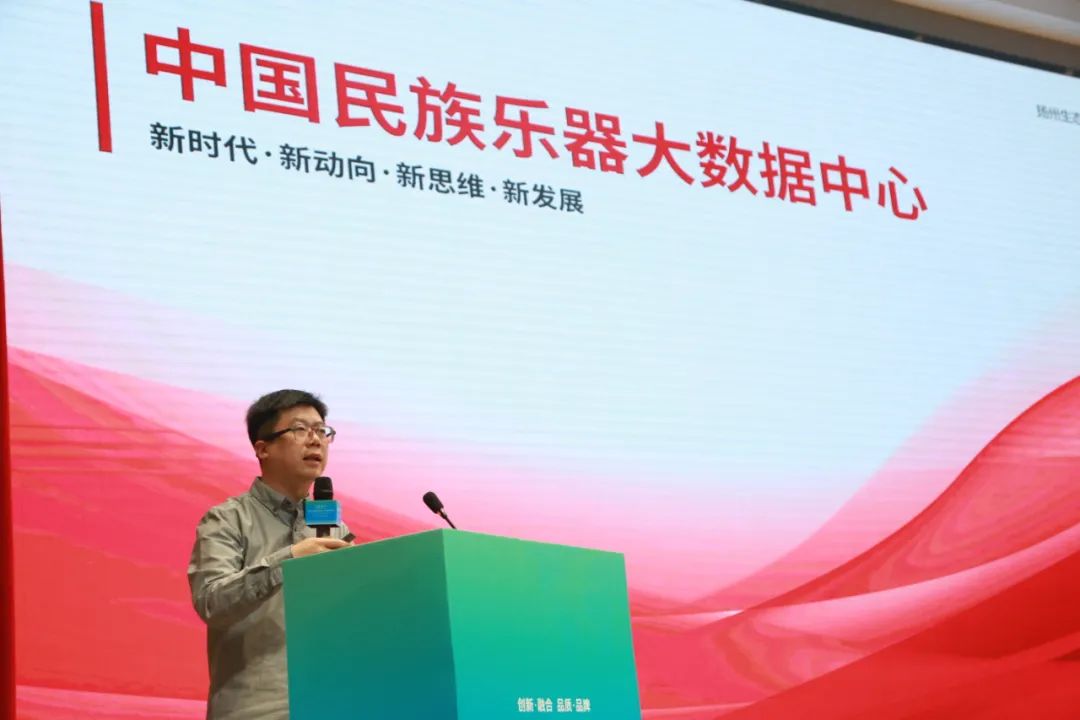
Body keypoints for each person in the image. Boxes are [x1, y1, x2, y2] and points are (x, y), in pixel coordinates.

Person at [188, 389, 352, 720]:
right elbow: (211, 603)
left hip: (327, 703)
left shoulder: (334, 527)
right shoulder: (227, 519)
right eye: (300, 429)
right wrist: (289, 560)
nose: (315, 440)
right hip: (254, 709)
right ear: (263, 448)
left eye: (321, 430)